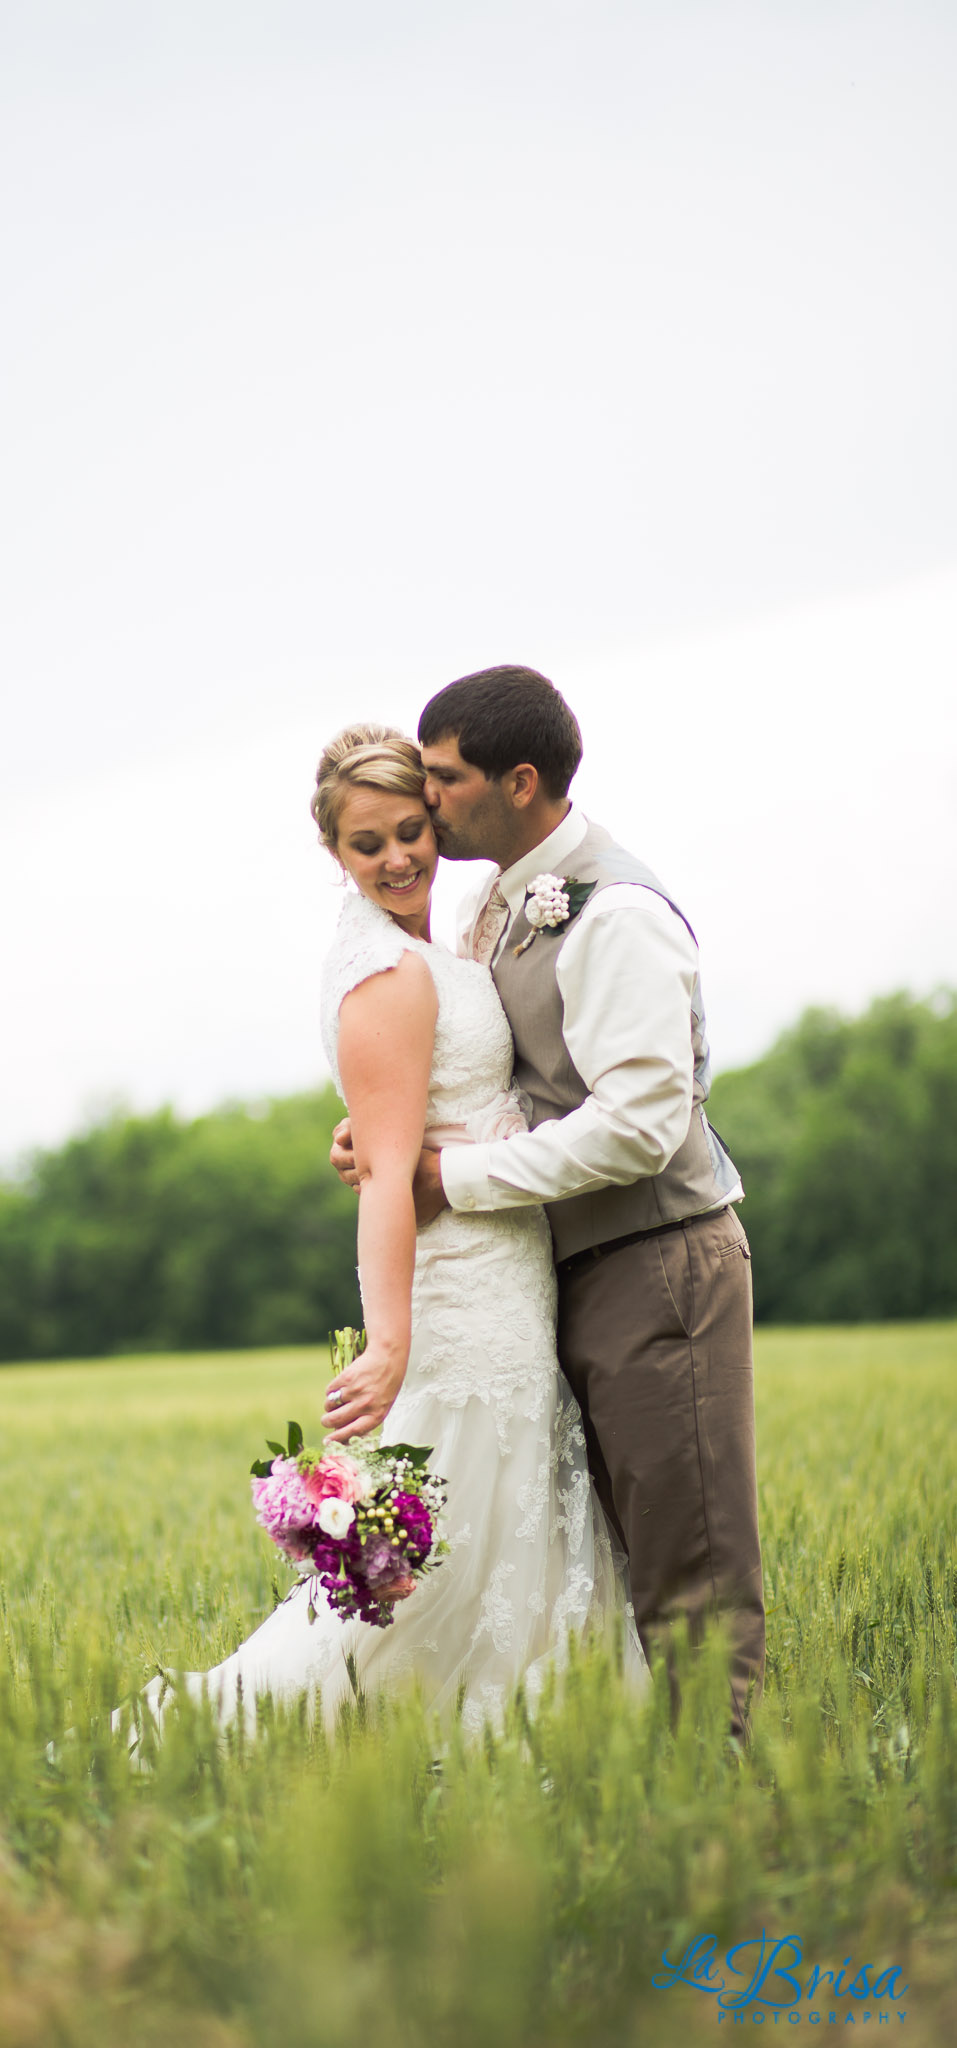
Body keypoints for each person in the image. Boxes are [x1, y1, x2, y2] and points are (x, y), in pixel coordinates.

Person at [119, 725, 642, 1745]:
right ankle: (382, 1734)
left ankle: (501, 1723)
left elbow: (398, 1129)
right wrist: (389, 1342)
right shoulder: (389, 975)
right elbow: (390, 1183)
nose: (399, 857)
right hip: (461, 1290)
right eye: (370, 844)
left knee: (491, 1522)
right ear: (335, 855)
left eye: (412, 830)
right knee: (448, 1547)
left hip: (501, 1261)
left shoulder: (413, 952)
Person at [331, 667, 766, 1740]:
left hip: (659, 1259)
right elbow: (522, 1080)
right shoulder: (498, 902)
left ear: (517, 781)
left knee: (689, 1560)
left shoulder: (614, 913)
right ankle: (644, 1781)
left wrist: (451, 1177)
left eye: (442, 780)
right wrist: (388, 1132)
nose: (425, 807)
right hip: (559, 1271)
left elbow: (638, 1124)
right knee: (613, 1551)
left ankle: (720, 1809)